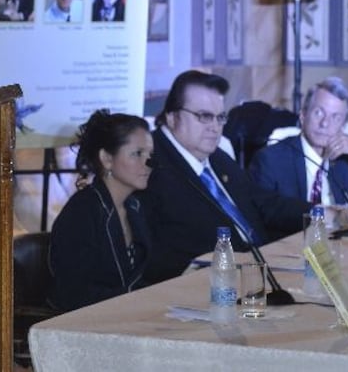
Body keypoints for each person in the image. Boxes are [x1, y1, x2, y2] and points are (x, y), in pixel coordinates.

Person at [133, 70, 312, 285]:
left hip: (262, 271)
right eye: (204, 116)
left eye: (220, 117)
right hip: (208, 286)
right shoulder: (150, 164)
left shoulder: (217, 157)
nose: (214, 127)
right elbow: (155, 249)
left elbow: (263, 202)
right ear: (172, 117)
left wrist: (320, 214)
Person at [49, 110, 154, 312]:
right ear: (106, 158)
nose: (148, 163)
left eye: (150, 155)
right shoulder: (81, 214)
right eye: (137, 154)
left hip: (127, 318)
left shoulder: (135, 207)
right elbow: (75, 295)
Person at [248, 77, 348, 229]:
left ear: (343, 126)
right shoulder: (271, 159)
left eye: (335, 117)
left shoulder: (347, 161)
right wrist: (331, 215)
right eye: (318, 112)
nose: (325, 123)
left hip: (345, 246)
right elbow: (268, 212)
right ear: (303, 116)